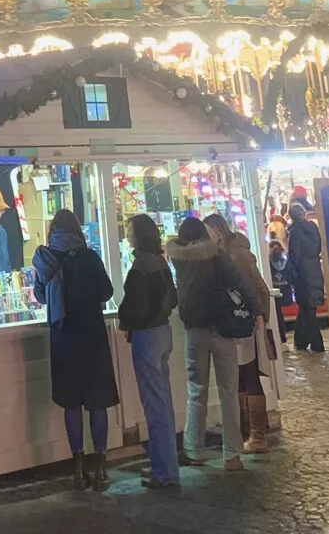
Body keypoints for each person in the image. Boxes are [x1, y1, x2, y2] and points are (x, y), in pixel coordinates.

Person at [167, 217, 263, 472]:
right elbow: (240, 282)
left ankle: (193, 448)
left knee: (196, 390)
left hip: (194, 331)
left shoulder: (179, 259)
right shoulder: (217, 255)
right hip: (222, 329)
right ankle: (231, 454)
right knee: (228, 391)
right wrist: (257, 310)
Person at [32, 210, 118, 492]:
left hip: (63, 336)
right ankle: (102, 466)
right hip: (91, 334)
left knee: (71, 403)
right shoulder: (88, 257)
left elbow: (41, 296)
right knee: (97, 400)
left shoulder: (45, 259)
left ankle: (78, 469)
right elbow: (106, 292)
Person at [117, 214, 180, 490]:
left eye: (129, 230)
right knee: (162, 402)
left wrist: (126, 319)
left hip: (147, 335)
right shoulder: (161, 262)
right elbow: (172, 297)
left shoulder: (140, 267)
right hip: (163, 331)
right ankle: (163, 465)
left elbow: (135, 307)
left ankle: (164, 471)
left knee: (154, 405)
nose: (127, 234)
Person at [204, 214, 274, 455]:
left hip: (245, 322)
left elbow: (258, 286)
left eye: (209, 232)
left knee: (249, 374)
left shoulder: (236, 254)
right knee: (241, 377)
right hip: (239, 322)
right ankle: (247, 430)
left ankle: (258, 434)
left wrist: (260, 315)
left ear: (218, 231)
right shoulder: (224, 253)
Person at [287, 203, 326, 353]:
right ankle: (300, 341)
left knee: (307, 309)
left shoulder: (295, 232)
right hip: (315, 271)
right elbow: (317, 249)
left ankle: (317, 344)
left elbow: (294, 256)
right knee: (308, 308)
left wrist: (292, 272)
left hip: (303, 275)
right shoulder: (313, 229)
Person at [268, 240, 291, 344]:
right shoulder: (286, 263)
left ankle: (280, 339)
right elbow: (293, 276)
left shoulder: (267, 263)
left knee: (277, 315)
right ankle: (283, 338)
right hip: (285, 292)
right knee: (279, 315)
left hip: (274, 293)